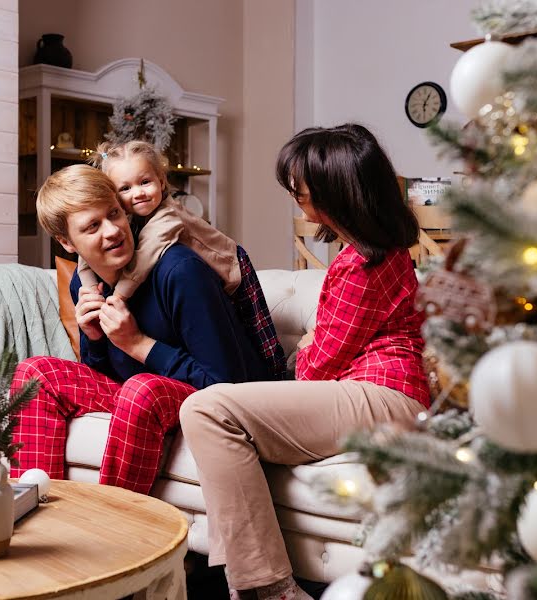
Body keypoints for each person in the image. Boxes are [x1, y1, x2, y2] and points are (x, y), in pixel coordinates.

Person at [179, 124, 430, 600]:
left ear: (336, 191)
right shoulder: (376, 254)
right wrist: (311, 343)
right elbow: (323, 350)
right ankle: (254, 580)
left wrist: (310, 345)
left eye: (301, 187)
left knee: (206, 408)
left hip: (382, 396)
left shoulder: (361, 265)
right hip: (387, 395)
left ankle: (271, 587)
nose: (295, 194)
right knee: (217, 412)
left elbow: (318, 366)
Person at [10, 164, 269, 494]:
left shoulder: (180, 270)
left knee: (141, 389)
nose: (113, 231)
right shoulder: (84, 283)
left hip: (216, 401)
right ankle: (37, 519)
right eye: (92, 226)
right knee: (34, 373)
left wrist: (138, 344)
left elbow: (225, 386)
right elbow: (103, 374)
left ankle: (120, 528)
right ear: (67, 242)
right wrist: (93, 338)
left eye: (114, 214)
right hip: (138, 401)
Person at [85, 140, 286, 380]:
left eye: (145, 182)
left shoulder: (167, 216)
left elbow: (144, 259)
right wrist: (89, 288)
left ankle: (278, 375)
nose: (138, 193)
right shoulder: (129, 220)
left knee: (257, 332)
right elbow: (83, 258)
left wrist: (116, 297)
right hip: (197, 274)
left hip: (231, 263)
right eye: (125, 189)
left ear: (161, 180)